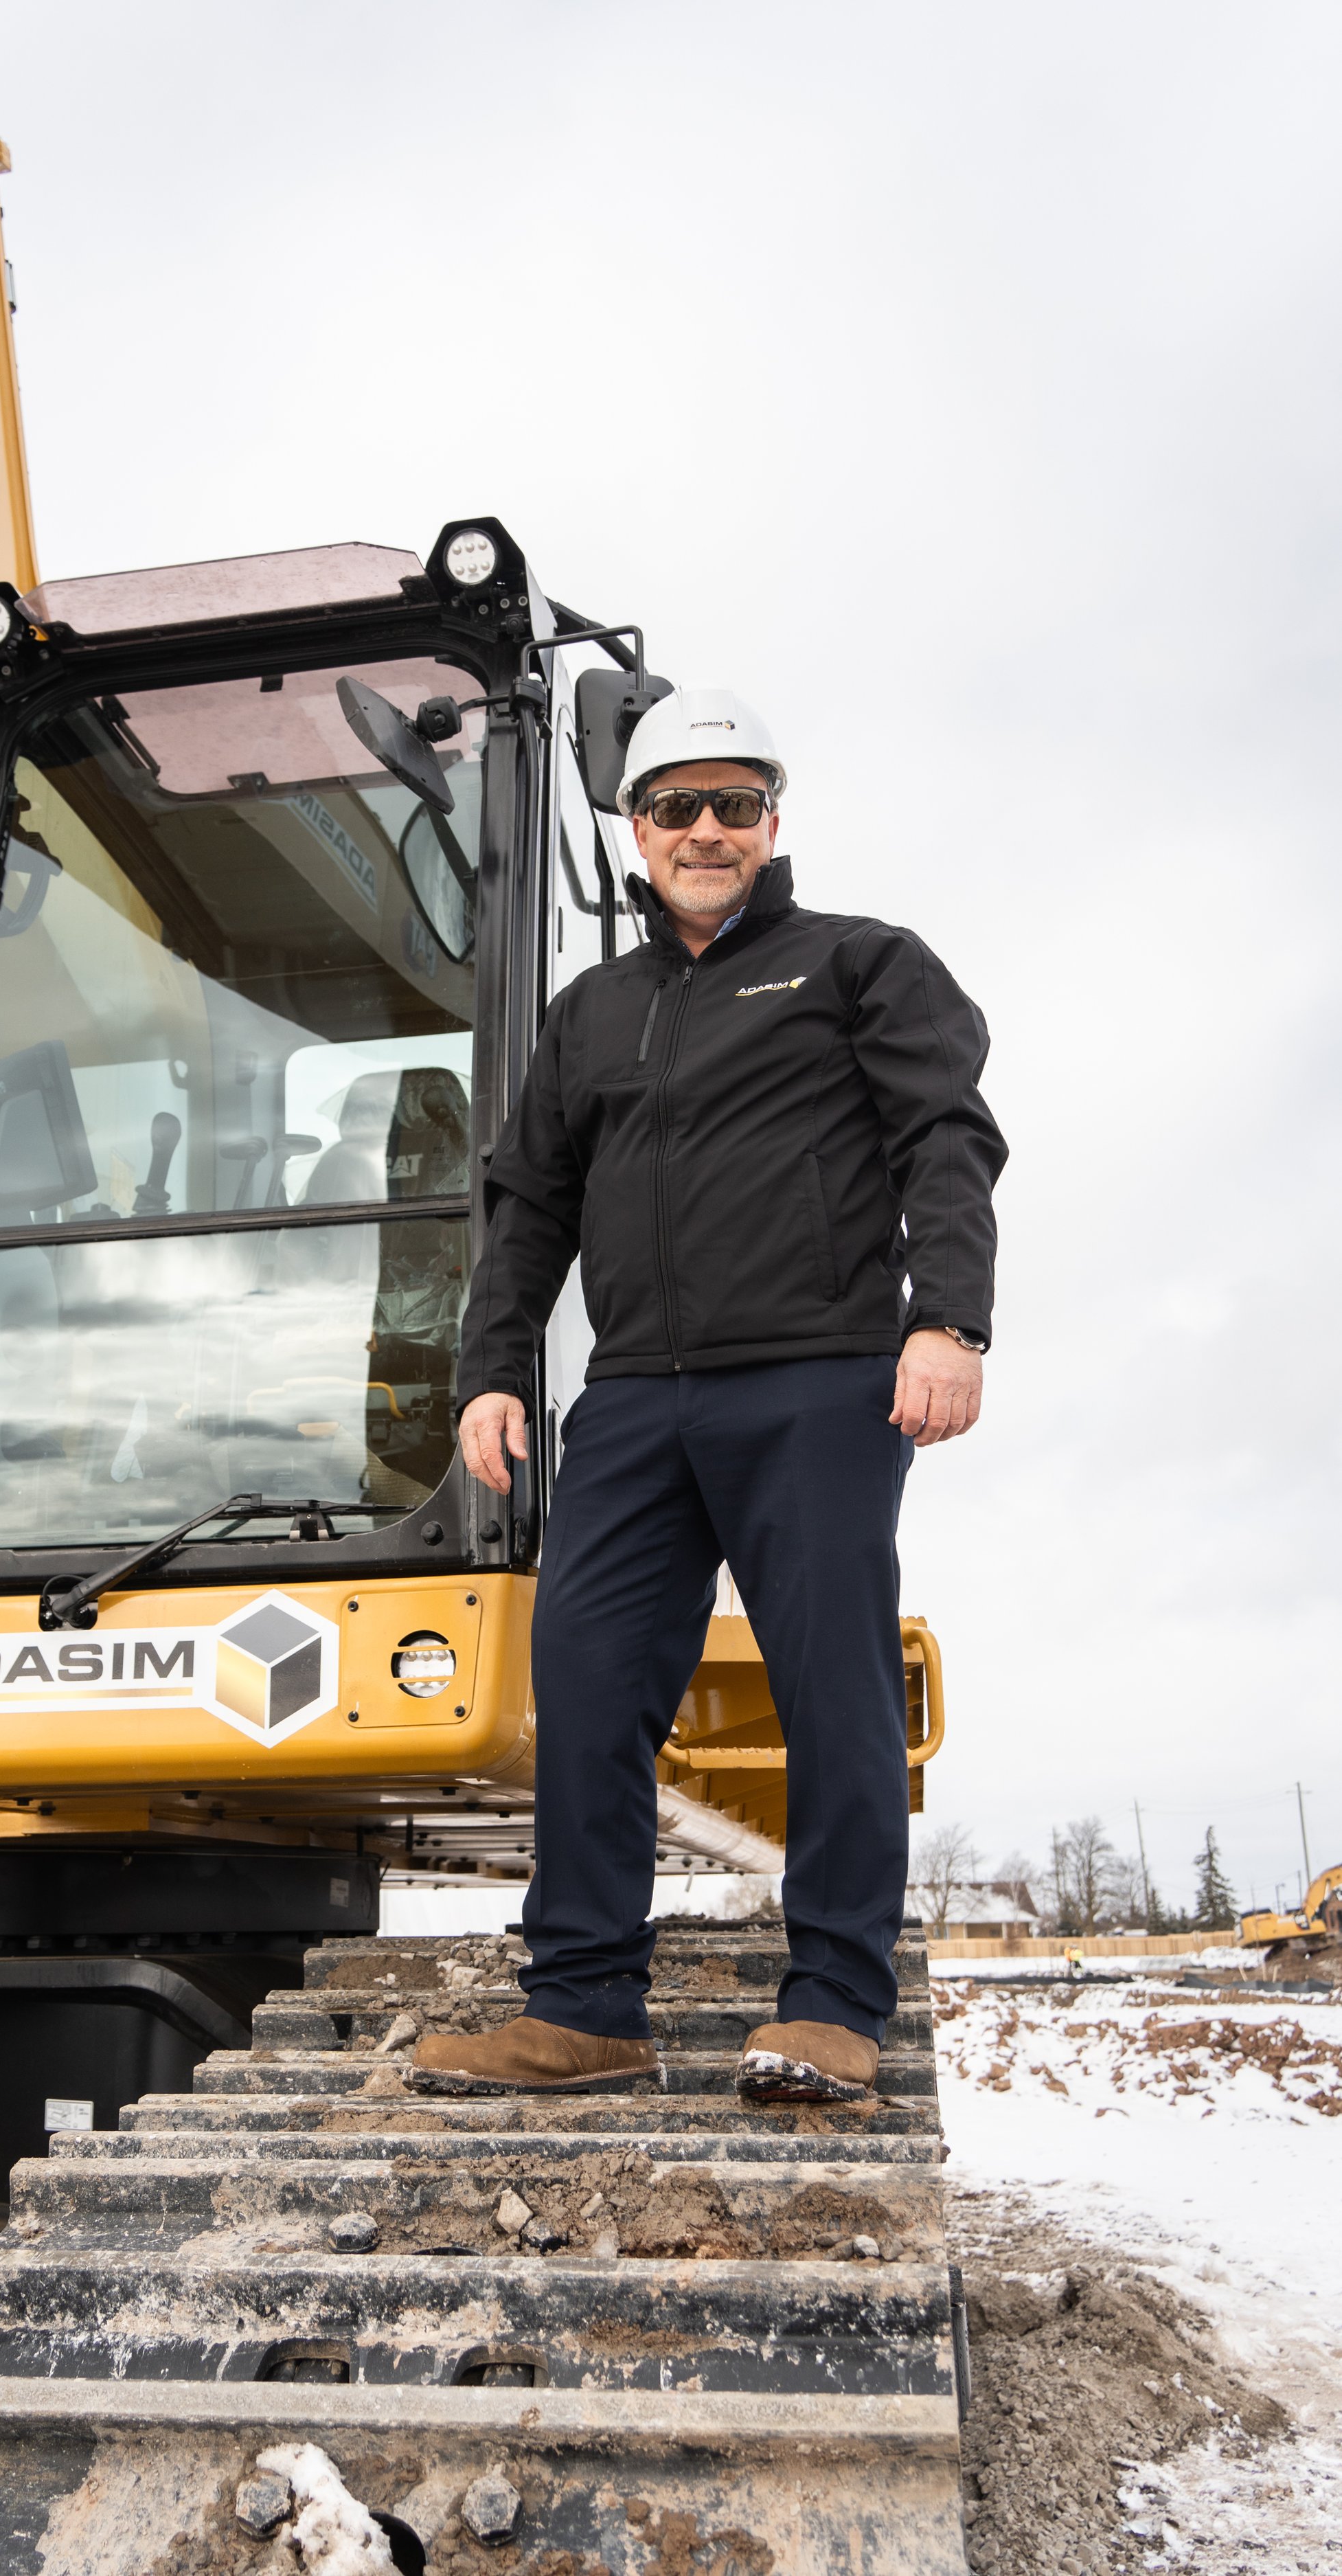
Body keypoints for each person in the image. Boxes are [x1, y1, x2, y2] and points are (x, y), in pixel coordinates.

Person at [409, 686, 1008, 2103]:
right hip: (630, 1404)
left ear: (769, 824)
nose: (703, 829)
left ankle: (833, 2004)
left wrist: (951, 1324)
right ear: (635, 828)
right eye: (676, 805)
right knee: (589, 1687)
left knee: (829, 1688)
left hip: (814, 1383)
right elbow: (527, 1205)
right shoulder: (592, 1014)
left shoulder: (857, 966)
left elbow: (946, 1143)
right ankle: (581, 2010)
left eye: (731, 805)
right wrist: (491, 1370)